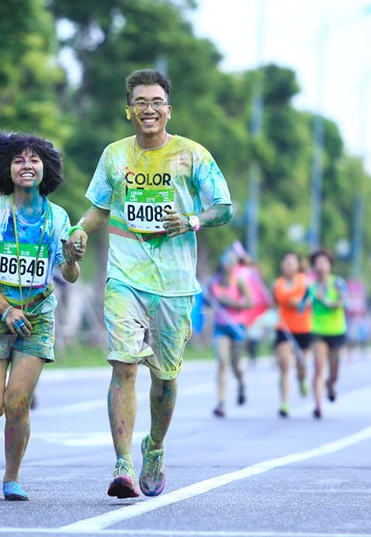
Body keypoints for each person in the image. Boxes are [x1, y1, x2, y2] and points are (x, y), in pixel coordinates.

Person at [64, 69, 232, 499]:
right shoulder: (115, 156)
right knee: (124, 365)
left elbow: (224, 207)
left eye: (156, 102)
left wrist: (191, 221)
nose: (149, 109)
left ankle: (154, 446)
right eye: (140, 102)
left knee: (166, 378)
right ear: (129, 110)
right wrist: (81, 229)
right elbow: (99, 210)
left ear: (168, 110)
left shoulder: (192, 155)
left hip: (175, 285)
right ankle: (122, 463)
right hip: (125, 276)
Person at [0, 129, 81, 502]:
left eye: (34, 159)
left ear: (46, 168)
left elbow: (69, 274)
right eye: (19, 160)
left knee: (17, 401)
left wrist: (72, 259)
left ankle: (11, 478)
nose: (27, 165)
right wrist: (5, 308)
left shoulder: (57, 218)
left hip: (38, 317)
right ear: (8, 168)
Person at [206, 248, 252, 418]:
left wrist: (230, 303)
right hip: (221, 326)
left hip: (237, 327)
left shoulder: (239, 281)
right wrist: (210, 300)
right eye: (226, 261)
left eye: (232, 261)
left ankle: (241, 383)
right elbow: (208, 302)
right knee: (222, 362)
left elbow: (250, 303)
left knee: (235, 365)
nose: (228, 265)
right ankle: (221, 402)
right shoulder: (214, 281)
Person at [305, 250, 347, 420]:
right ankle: (318, 405)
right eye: (317, 263)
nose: (320, 265)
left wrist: (326, 301)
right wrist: (304, 303)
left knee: (334, 371)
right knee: (318, 367)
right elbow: (301, 305)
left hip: (337, 330)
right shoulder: (311, 287)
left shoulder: (337, 283)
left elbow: (344, 301)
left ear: (330, 265)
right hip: (318, 330)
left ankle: (330, 384)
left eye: (324, 262)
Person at [272, 251, 313, 418]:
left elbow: (312, 300)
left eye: (291, 262)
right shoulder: (278, 284)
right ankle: (284, 402)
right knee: (284, 364)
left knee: (301, 366)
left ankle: (302, 379)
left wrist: (301, 303)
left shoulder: (306, 282)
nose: (288, 265)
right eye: (286, 262)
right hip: (284, 328)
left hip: (302, 328)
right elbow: (274, 303)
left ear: (297, 265)